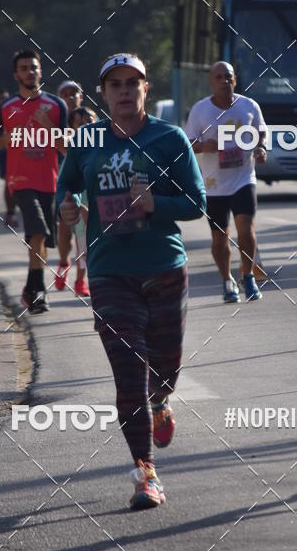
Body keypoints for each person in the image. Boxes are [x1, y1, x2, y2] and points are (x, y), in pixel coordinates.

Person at [57, 53, 206, 509]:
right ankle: (145, 473)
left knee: (165, 367)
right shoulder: (86, 140)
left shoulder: (170, 138)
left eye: (132, 82)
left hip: (163, 267)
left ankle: (162, 401)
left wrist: (153, 203)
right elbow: (66, 190)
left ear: (146, 88)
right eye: (115, 84)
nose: (124, 90)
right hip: (109, 272)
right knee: (128, 375)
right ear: (103, 93)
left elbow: (197, 203)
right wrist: (67, 209)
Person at [0, 49, 68, 314]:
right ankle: (38, 293)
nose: (29, 72)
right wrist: (7, 139)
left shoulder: (57, 106)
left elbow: (67, 148)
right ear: (16, 75)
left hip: (49, 181)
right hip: (20, 180)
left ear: (40, 71)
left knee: (42, 238)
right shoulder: (7, 108)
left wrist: (48, 126)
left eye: (33, 67)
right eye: (24, 68)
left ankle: (30, 289)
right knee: (38, 231)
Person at [185, 61, 267, 303]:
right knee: (220, 237)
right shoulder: (200, 111)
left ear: (235, 80)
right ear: (211, 82)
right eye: (218, 77)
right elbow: (187, 143)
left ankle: (248, 275)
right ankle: (226, 280)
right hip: (214, 184)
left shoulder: (249, 106)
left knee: (246, 228)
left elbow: (261, 131)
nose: (224, 81)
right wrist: (202, 146)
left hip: (243, 178)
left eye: (228, 76)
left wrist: (261, 147)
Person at [53, 91, 95, 297]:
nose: (87, 127)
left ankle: (80, 281)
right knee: (69, 235)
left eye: (90, 122)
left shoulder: (104, 144)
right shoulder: (71, 145)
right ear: (72, 128)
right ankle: (63, 264)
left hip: (95, 197)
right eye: (81, 124)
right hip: (72, 196)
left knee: (85, 240)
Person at [0, 89, 18, 228]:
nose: (4, 100)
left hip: (20, 152)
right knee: (9, 182)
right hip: (5, 153)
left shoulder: (16, 111)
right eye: (1, 98)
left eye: (6, 98)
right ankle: (10, 214)